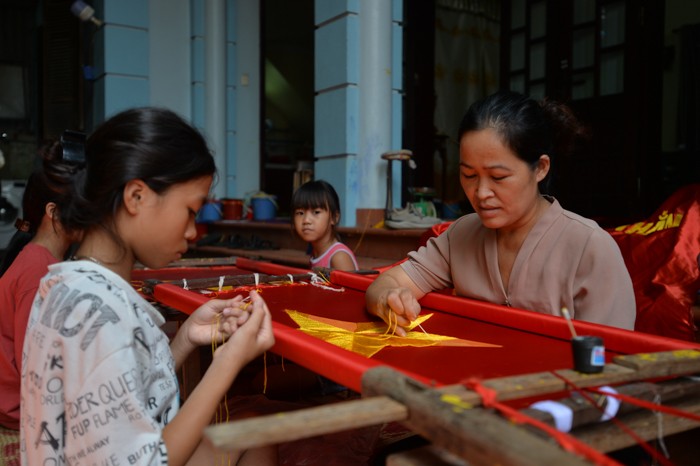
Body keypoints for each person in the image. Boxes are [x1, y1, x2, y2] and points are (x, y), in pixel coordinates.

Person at [20, 107, 276, 466]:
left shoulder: (72, 284)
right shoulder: (97, 310)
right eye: (190, 210)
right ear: (136, 197)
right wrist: (228, 363)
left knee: (255, 435)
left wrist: (186, 338)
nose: (192, 231)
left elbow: (116, 396)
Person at [366, 90, 636, 336]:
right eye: (468, 175)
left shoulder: (590, 247)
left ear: (541, 168)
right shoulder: (460, 235)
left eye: (498, 177)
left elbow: (611, 359)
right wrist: (386, 299)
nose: (481, 192)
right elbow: (387, 282)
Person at [0, 139, 82, 461]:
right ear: (54, 213)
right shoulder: (37, 271)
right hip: (17, 417)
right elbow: (35, 371)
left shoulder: (37, 259)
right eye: (84, 208)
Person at [291, 179, 359, 271]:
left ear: (334, 218)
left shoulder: (339, 257)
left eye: (316, 212)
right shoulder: (316, 253)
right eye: (300, 213)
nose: (306, 220)